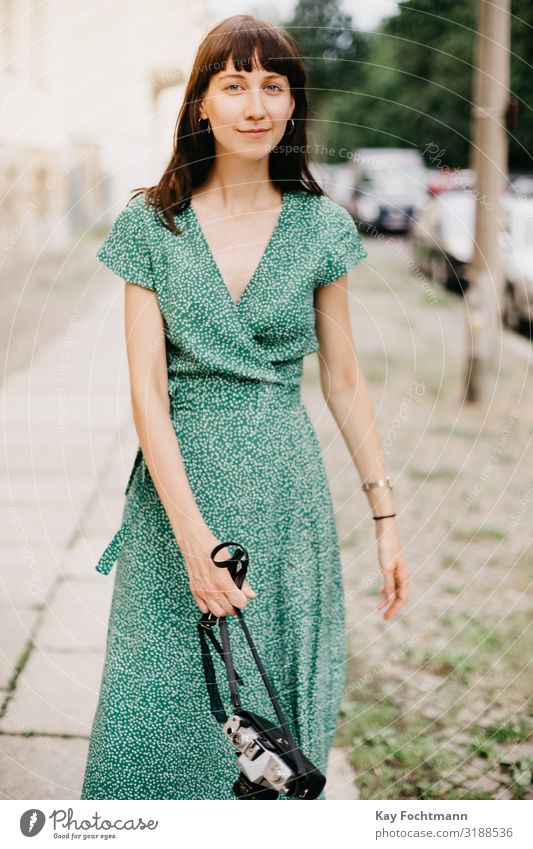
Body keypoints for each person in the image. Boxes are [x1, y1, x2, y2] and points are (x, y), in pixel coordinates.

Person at [81, 13, 409, 801]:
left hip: (286, 498)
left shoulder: (322, 227)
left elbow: (345, 382)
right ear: (200, 103)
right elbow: (148, 393)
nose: (255, 104)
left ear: (293, 105)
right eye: (234, 85)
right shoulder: (150, 225)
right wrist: (194, 540)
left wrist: (384, 516)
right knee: (151, 712)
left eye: (273, 85)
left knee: (272, 732)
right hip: (174, 504)